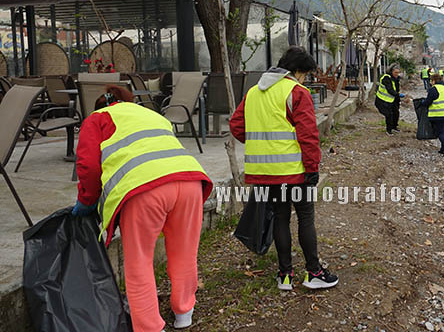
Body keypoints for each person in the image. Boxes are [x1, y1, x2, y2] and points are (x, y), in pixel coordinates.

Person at [73, 85, 213, 332]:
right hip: (190, 180)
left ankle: (150, 327)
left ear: (101, 105)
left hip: (144, 189)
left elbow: (89, 167)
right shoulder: (152, 114)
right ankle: (184, 313)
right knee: (184, 252)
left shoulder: (96, 119)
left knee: (139, 262)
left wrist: (86, 200)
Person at [230, 46, 338, 291]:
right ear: (297, 71)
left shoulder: (253, 92)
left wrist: (261, 144)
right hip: (294, 170)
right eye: (305, 75)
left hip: (265, 173)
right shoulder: (296, 92)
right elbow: (308, 135)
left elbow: (236, 125)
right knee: (305, 217)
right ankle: (313, 272)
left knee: (280, 217)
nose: (305, 79)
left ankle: (285, 275)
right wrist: (312, 167)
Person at [419, 73, 444, 159]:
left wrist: (422, 103)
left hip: (439, 114)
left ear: (434, 80)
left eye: (431, 80)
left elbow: (428, 102)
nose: (430, 82)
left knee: (439, 132)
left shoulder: (433, 89)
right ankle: (443, 149)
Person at [375, 64, 404, 135]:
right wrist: (398, 95)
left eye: (398, 72)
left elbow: (396, 89)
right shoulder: (386, 78)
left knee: (396, 113)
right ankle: (389, 130)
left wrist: (398, 97)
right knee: (389, 114)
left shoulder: (396, 78)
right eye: (395, 72)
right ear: (391, 71)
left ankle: (394, 127)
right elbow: (390, 90)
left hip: (392, 99)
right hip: (382, 100)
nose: (397, 74)